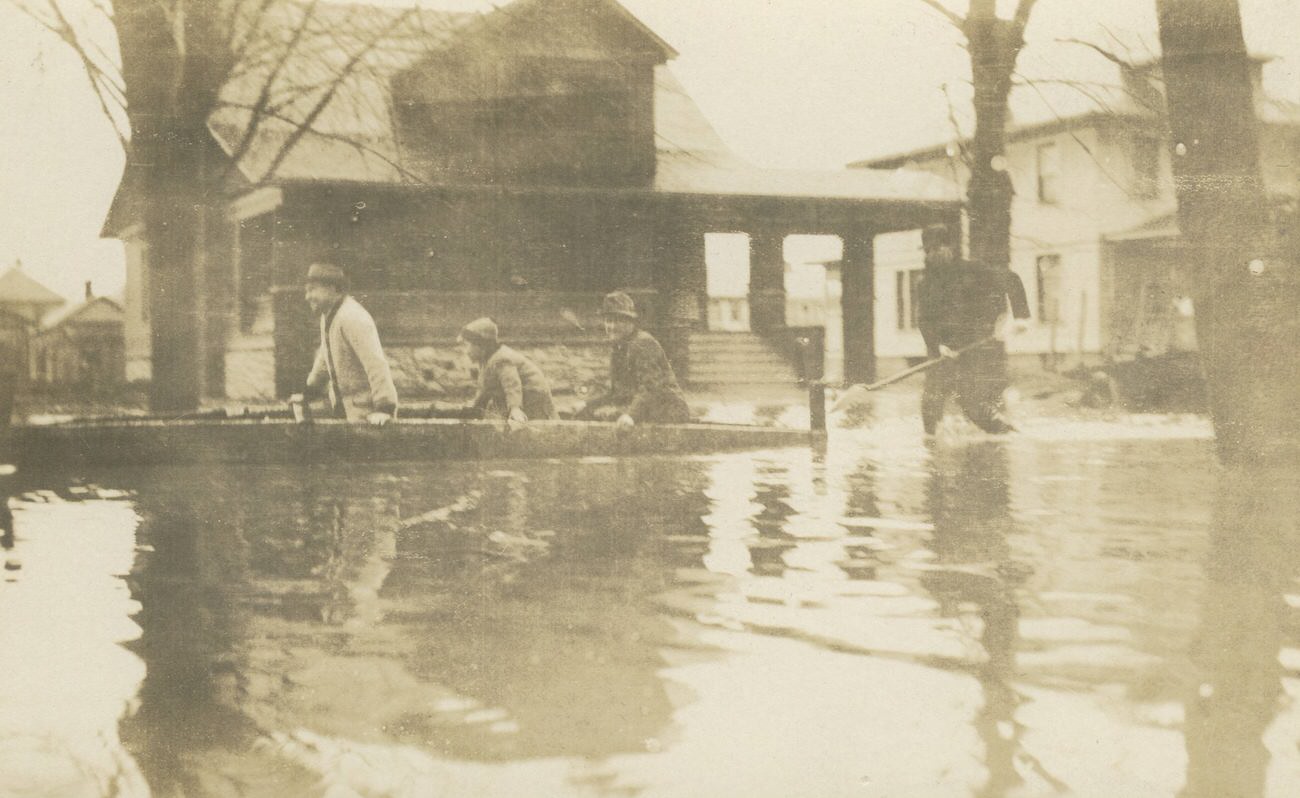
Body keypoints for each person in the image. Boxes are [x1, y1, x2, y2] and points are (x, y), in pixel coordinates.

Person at [916, 223, 1030, 436]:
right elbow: (924, 321)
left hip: (970, 348)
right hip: (940, 351)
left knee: (972, 405)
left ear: (949, 247)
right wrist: (937, 345)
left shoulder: (973, 271)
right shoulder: (925, 283)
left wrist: (1021, 317)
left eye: (937, 249)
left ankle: (1008, 434)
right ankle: (931, 450)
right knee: (930, 404)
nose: (932, 255)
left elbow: (1012, 280)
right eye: (928, 250)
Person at [299, 262, 398, 425]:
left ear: (332, 289)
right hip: (346, 412)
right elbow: (325, 357)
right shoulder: (329, 315)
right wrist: (309, 391)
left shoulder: (352, 317)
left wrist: (384, 409)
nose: (307, 297)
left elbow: (375, 363)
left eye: (312, 289)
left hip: (369, 417)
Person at [576, 291, 690, 427]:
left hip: (667, 409)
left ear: (630, 322)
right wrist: (586, 404)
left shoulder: (642, 343)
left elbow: (650, 388)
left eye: (617, 321)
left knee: (612, 417)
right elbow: (615, 392)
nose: (611, 327)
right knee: (586, 413)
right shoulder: (619, 347)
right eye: (608, 321)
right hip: (646, 406)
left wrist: (630, 416)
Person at [458, 317, 558, 431]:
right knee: (495, 415)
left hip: (532, 398)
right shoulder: (485, 361)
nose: (465, 351)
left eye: (467, 345)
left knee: (528, 428)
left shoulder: (501, 359)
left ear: (481, 345)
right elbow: (484, 388)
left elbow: (512, 385)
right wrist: (476, 407)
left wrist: (515, 408)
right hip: (519, 398)